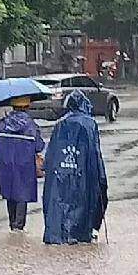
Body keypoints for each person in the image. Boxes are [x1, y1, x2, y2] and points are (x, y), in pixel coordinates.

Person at [43, 90, 108, 245]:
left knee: (59, 203)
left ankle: (60, 235)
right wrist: (100, 175)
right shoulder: (89, 124)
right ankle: (83, 233)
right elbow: (94, 152)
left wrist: (49, 170)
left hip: (60, 174)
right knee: (85, 202)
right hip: (84, 173)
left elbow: (51, 153)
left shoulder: (60, 124)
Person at [0, 96, 45, 232]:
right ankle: (18, 226)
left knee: (10, 192)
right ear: (27, 107)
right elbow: (39, 146)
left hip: (6, 164)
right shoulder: (31, 125)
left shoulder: (2, 123)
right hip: (24, 164)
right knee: (22, 193)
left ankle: (12, 224)